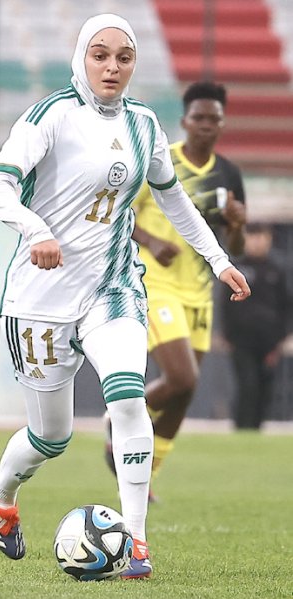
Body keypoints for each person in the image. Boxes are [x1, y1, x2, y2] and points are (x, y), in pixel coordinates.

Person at [0, 14, 250, 580]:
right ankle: (0, 491)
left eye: (123, 58)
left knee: (126, 398)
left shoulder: (145, 124)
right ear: (82, 57)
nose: (112, 67)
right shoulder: (50, 116)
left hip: (113, 287)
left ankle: (136, 543)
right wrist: (37, 231)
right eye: (100, 55)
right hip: (42, 297)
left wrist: (219, 260)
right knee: (51, 437)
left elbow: (175, 203)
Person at [103, 81, 247, 498]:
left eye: (214, 119)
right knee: (181, 375)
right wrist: (150, 241)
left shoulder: (228, 173)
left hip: (199, 292)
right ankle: (123, 416)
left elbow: (234, 246)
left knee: (186, 391)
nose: (206, 125)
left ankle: (147, 475)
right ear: (185, 121)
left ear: (222, 124)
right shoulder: (160, 162)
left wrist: (236, 226)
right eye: (199, 118)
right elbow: (119, 213)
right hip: (155, 284)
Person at [221, 223, 288, 430]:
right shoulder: (237, 267)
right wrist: (227, 336)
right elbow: (225, 305)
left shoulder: (277, 269)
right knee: (247, 386)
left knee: (264, 388)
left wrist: (279, 340)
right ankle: (242, 428)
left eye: (261, 235)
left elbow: (286, 306)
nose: (257, 241)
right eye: (252, 236)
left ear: (269, 238)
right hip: (241, 341)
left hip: (269, 342)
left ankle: (256, 429)